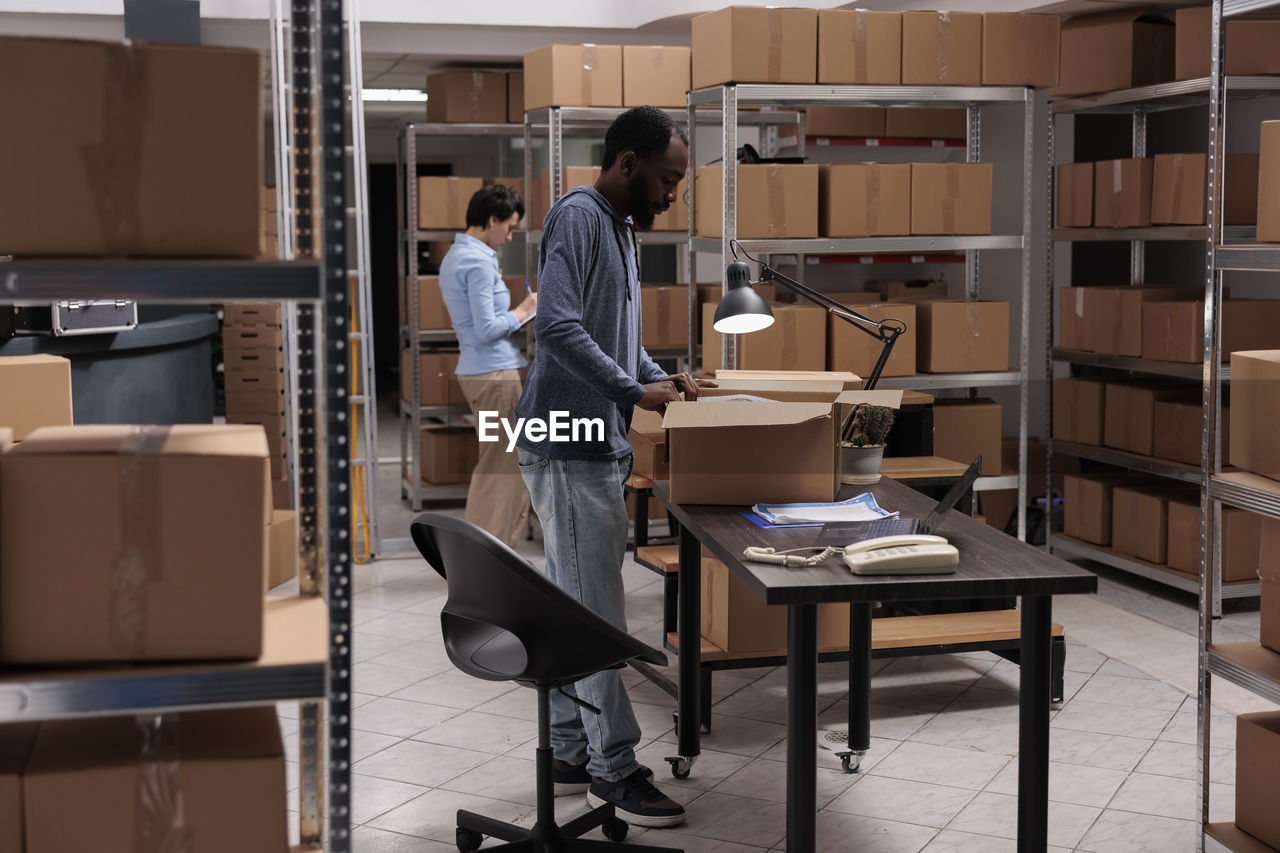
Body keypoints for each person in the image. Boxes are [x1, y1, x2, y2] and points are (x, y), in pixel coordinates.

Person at [513, 106, 713, 828]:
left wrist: (665, 376)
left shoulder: (622, 230)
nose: (671, 194)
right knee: (596, 610)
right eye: (667, 178)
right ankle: (614, 768)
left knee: (575, 600)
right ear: (627, 164)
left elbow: (616, 342)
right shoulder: (580, 216)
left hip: (590, 437)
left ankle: (570, 748)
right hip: (566, 439)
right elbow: (558, 325)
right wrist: (634, 390)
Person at [438, 183, 538, 549]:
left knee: (499, 464)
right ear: (491, 220)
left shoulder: (456, 256)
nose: (510, 237)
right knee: (503, 469)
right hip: (494, 374)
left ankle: (483, 550)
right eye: (508, 227)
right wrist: (525, 310)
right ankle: (488, 553)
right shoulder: (477, 262)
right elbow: (486, 329)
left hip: (483, 371)